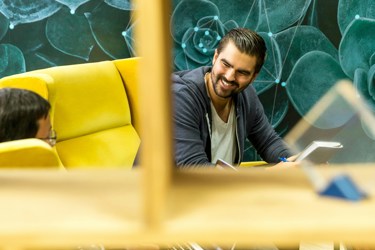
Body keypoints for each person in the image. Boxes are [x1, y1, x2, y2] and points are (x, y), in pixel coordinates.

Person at [172, 27, 293, 167]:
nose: (229, 77)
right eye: (226, 64)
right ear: (215, 57)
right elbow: (193, 167)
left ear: (254, 76)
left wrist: (297, 162)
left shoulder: (246, 96)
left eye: (242, 72)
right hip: (168, 187)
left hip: (220, 187)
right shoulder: (180, 98)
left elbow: (269, 143)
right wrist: (269, 175)